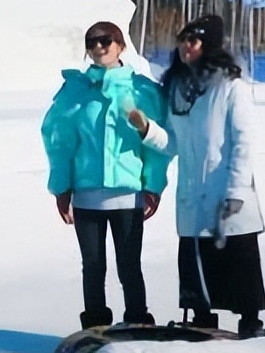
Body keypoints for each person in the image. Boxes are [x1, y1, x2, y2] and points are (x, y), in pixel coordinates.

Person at [127, 15, 265, 339]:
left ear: (210, 45)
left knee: (237, 257)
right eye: (182, 40)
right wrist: (147, 129)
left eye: (193, 40)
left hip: (225, 190)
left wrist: (236, 189)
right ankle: (201, 317)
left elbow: (244, 141)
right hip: (192, 192)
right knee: (196, 260)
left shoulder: (232, 87)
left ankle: (250, 320)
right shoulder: (179, 89)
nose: (185, 47)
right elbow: (174, 142)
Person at [41, 21, 171, 329]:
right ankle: (96, 323)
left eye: (106, 40)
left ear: (121, 46)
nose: (99, 47)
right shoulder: (75, 91)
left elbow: (158, 145)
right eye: (92, 42)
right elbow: (59, 140)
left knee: (129, 265)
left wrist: (153, 185)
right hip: (86, 195)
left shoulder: (142, 89)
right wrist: (62, 187)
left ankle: (137, 318)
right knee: (92, 265)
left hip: (128, 193)